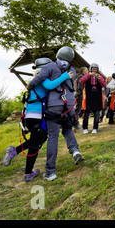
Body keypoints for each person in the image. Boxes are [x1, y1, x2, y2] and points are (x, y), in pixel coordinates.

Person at [2, 57, 73, 182]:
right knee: (35, 144)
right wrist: (65, 76)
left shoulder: (36, 78)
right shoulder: (42, 77)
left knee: (42, 138)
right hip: (36, 116)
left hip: (31, 116)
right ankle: (27, 173)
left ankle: (15, 151)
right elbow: (50, 86)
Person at [27, 46, 84, 181]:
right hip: (69, 104)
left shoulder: (51, 67)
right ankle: (75, 150)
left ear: (58, 55)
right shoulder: (72, 70)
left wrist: (29, 87)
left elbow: (38, 80)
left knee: (53, 135)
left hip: (55, 104)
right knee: (68, 129)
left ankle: (50, 172)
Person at [79, 63, 107, 134]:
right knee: (86, 113)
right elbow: (81, 81)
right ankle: (85, 128)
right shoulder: (87, 76)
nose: (94, 70)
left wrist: (100, 79)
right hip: (88, 97)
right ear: (90, 69)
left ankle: (95, 128)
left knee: (97, 113)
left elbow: (104, 85)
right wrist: (89, 75)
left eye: (96, 69)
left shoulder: (100, 76)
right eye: (93, 69)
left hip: (97, 97)